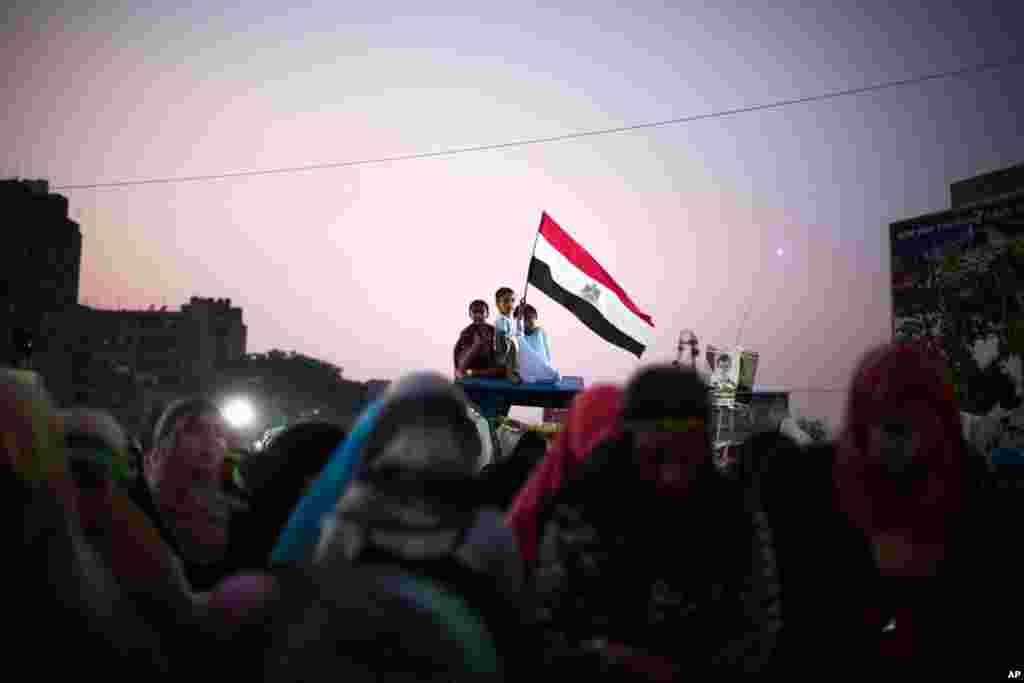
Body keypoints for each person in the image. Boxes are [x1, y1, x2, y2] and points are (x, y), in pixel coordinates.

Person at [531, 365, 780, 677]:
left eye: (688, 459)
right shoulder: (583, 510)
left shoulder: (734, 516)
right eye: (655, 458)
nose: (671, 476)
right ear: (627, 444)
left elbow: (757, 637)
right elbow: (546, 636)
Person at [130, 397, 234, 591]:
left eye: (219, 433)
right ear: (164, 443)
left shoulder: (241, 516)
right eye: (195, 430)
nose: (210, 440)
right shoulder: (135, 511)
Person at [453, 299, 503, 379]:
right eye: (475, 312)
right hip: (471, 364)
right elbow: (459, 357)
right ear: (470, 314)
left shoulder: (493, 330)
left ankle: (476, 373)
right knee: (462, 370)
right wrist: (476, 345)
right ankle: (473, 373)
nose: (478, 315)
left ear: (487, 314)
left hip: (488, 365)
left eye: (481, 312)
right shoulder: (467, 332)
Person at [513, 303, 560, 383]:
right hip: (525, 370)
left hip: (541, 368)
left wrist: (546, 367)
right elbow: (519, 331)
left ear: (535, 317)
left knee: (555, 375)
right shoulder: (517, 335)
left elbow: (547, 355)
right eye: (523, 319)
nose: (526, 321)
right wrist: (520, 314)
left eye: (529, 318)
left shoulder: (540, 332)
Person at [493, 287, 521, 383]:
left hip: (511, 353)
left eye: (512, 301)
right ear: (497, 304)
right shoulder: (501, 320)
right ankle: (510, 373)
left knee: (518, 341)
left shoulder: (511, 319)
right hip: (502, 353)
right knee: (512, 342)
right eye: (505, 301)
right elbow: (501, 338)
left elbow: (519, 332)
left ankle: (516, 370)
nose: (510, 304)